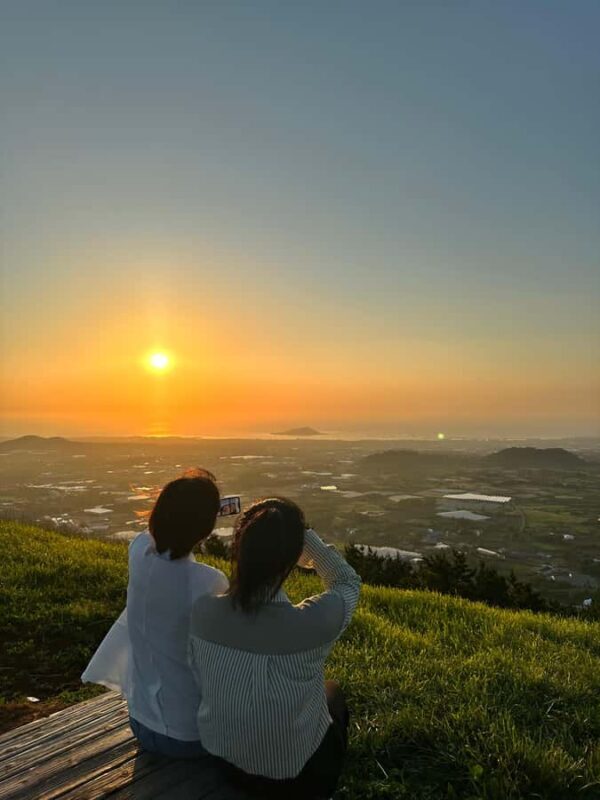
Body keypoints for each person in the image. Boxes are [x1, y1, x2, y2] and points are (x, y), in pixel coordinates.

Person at [188, 497, 361, 798]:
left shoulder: (203, 612)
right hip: (298, 779)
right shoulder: (312, 623)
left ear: (238, 549)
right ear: (291, 557)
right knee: (332, 692)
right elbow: (347, 581)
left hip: (225, 763)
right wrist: (306, 538)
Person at [82, 468, 228, 758]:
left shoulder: (139, 552)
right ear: (205, 527)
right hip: (190, 735)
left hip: (141, 722)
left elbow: (155, 537)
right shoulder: (208, 581)